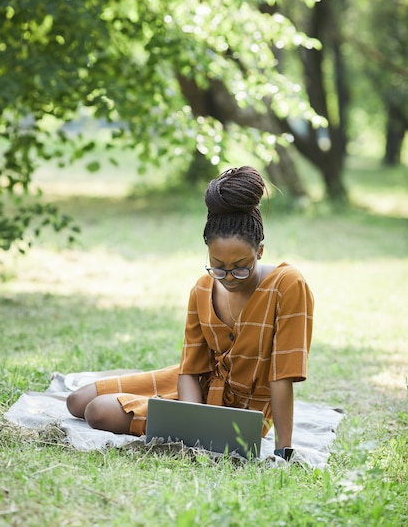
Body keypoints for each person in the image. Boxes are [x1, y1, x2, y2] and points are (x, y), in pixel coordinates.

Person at [67, 166, 313, 459]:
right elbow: (191, 369)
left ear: (260, 251)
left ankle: (145, 393)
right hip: (194, 389)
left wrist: (283, 450)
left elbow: (281, 376)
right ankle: (143, 384)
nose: (229, 276)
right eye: (218, 265)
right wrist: (194, 422)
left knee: (97, 412)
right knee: (76, 401)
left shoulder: (288, 285)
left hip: (244, 413)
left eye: (241, 266)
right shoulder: (202, 288)